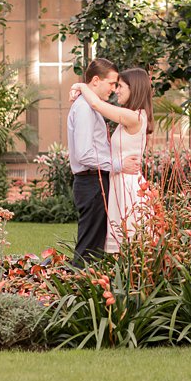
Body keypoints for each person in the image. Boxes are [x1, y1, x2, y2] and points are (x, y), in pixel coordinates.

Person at [73, 66, 152, 253]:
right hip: (119, 180)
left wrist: (81, 87)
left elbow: (97, 105)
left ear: (134, 89)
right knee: (122, 245)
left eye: (121, 86)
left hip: (128, 185)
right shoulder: (130, 116)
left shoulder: (133, 116)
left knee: (130, 243)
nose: (117, 91)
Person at [67, 57, 117, 265]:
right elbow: (85, 154)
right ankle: (76, 289)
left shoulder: (89, 106)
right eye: (111, 83)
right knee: (89, 249)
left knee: (94, 246)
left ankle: (82, 288)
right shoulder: (85, 109)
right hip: (92, 182)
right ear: (96, 80)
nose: (113, 89)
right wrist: (118, 165)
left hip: (94, 181)